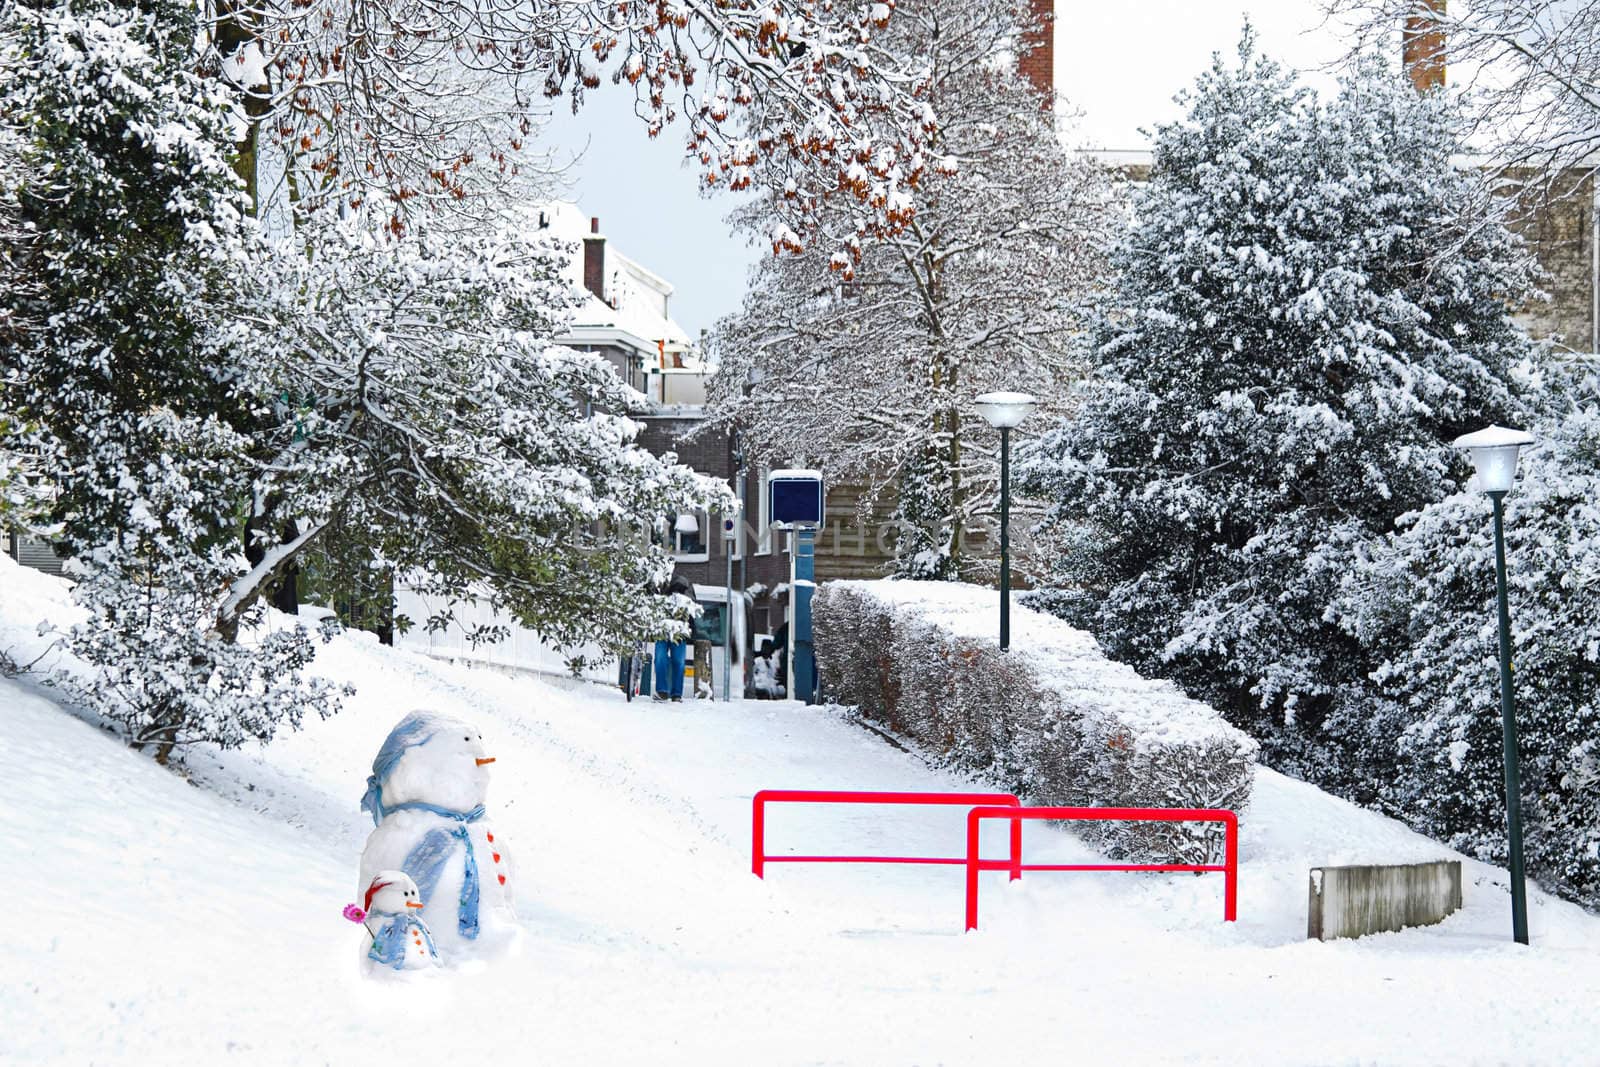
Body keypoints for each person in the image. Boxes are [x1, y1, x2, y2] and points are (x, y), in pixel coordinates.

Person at [653, 573, 695, 702]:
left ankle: (665, 692)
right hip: (669, 629)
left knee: (663, 659)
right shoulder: (662, 585)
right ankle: (672, 693)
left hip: (675, 629)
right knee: (677, 662)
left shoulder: (684, 588)